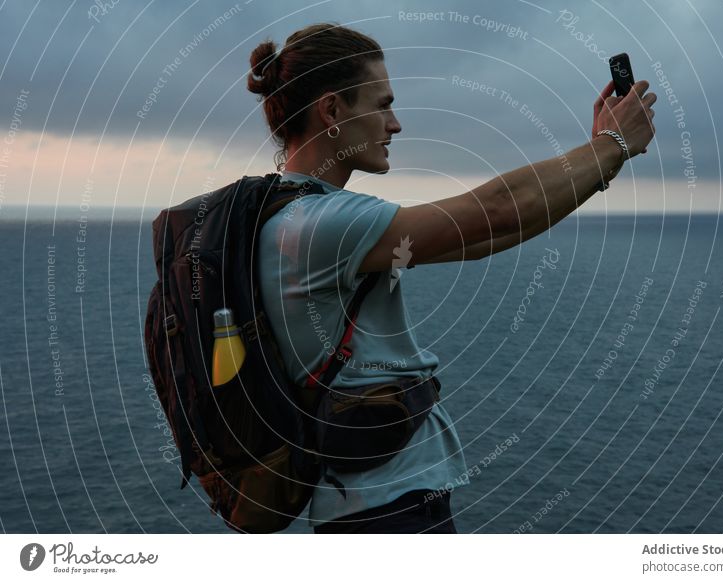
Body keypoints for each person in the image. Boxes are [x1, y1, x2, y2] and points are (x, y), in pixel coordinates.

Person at [248, 22, 656, 534]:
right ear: (331, 111)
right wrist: (614, 145)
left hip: (378, 503)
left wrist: (601, 161)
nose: (394, 124)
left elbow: (485, 237)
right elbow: (499, 208)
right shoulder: (318, 225)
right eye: (382, 103)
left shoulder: (299, 214)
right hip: (384, 514)